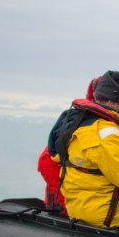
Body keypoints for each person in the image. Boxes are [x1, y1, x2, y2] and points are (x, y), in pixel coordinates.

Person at [47, 70, 119, 229]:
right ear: (112, 103)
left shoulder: (78, 127)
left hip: (82, 209)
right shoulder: (106, 133)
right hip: (113, 214)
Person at [38, 76, 100, 213]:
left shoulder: (102, 127)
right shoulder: (80, 125)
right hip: (65, 207)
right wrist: (65, 206)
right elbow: (46, 161)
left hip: (86, 204)